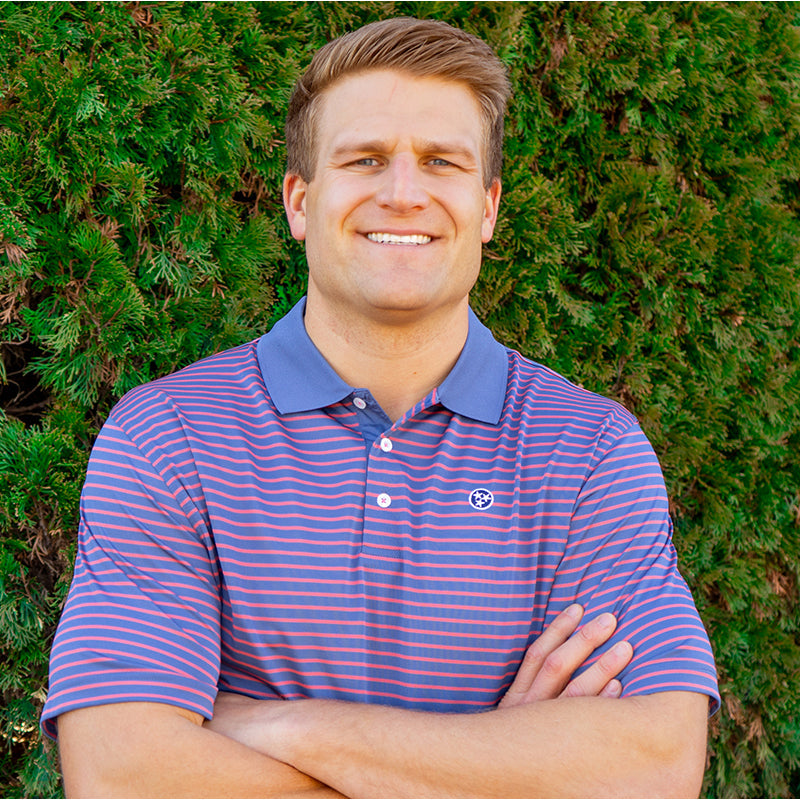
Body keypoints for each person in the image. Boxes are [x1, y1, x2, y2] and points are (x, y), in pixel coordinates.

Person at [42, 17, 719, 798]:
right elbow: (125, 777)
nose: (403, 194)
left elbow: (655, 766)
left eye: (442, 162)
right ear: (300, 201)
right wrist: (501, 762)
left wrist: (281, 725)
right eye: (365, 160)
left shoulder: (592, 452)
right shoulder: (169, 437)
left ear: (489, 206)